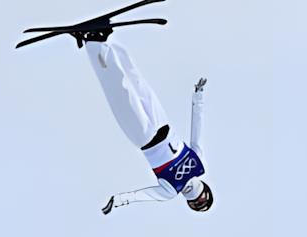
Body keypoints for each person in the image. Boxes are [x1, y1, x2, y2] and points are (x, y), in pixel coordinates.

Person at [79, 29, 212, 215]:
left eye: (196, 204)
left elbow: (141, 195)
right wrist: (198, 96)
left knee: (120, 92)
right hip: (162, 123)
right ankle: (106, 42)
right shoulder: (199, 163)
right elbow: (197, 127)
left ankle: (93, 44)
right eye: (202, 200)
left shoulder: (169, 191)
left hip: (144, 137)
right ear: (207, 191)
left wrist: (117, 201)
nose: (197, 200)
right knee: (137, 81)